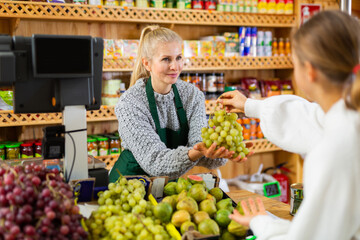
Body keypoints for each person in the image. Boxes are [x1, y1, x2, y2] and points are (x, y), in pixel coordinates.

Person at [219, 11, 360, 240]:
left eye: (294, 64)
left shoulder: (334, 153)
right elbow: (310, 120)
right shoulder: (347, 116)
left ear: (310, 72)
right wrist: (250, 106)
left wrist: (261, 224)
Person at [109, 26, 243, 182]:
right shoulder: (130, 104)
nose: (175, 66)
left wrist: (218, 152)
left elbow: (198, 145)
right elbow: (155, 162)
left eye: (178, 57)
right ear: (147, 63)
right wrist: (196, 152)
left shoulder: (192, 95)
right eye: (166, 59)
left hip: (166, 186)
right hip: (127, 187)